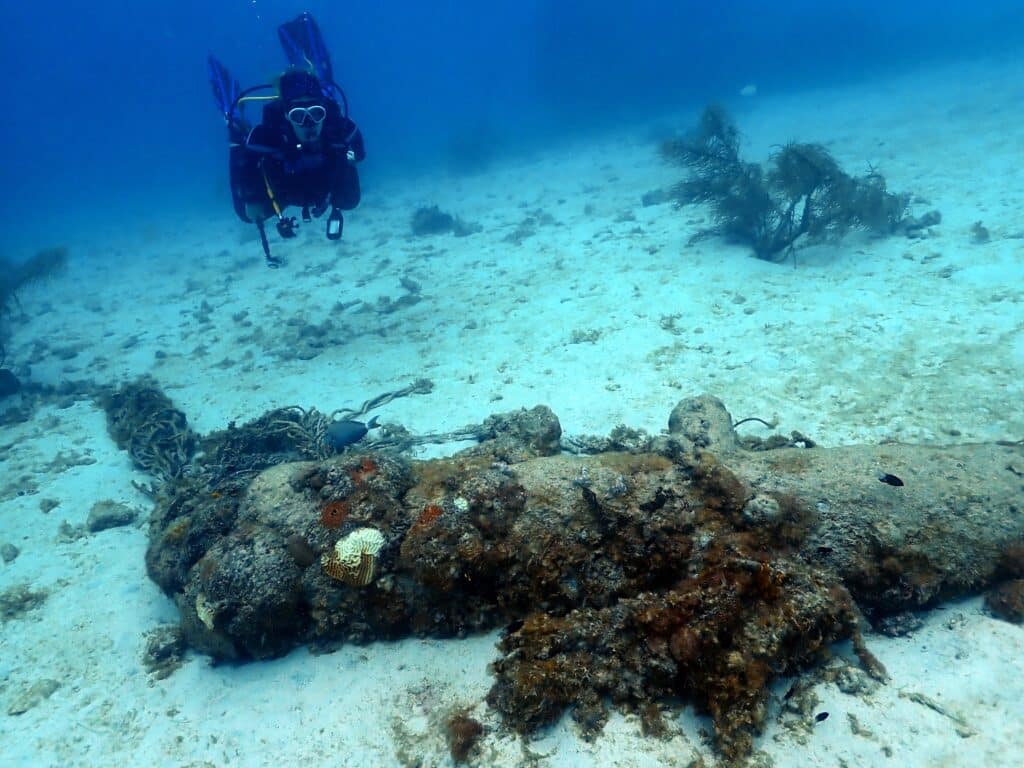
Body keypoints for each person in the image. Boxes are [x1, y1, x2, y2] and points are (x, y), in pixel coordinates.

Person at [209, 13, 365, 267]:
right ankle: (234, 120)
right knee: (247, 214)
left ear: (325, 114)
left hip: (322, 189)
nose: (309, 124)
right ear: (286, 116)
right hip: (284, 192)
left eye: (317, 114)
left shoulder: (339, 130)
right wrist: (239, 148)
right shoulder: (266, 137)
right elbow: (244, 175)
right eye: (298, 116)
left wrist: (345, 156)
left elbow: (359, 152)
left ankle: (317, 79)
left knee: (350, 200)